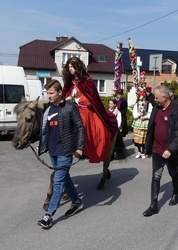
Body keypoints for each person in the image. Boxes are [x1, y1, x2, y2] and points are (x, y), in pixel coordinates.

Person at [37, 80, 85, 229]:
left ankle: (49, 215)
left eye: (51, 93)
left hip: (66, 150)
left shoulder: (70, 108)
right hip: (53, 151)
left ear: (59, 92)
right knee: (65, 177)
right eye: (47, 93)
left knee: (58, 181)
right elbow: (44, 131)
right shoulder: (48, 109)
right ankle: (76, 201)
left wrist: (79, 148)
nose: (48, 96)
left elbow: (80, 128)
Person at [61, 57, 119, 163]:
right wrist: (66, 99)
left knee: (81, 121)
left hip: (84, 108)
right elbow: (64, 94)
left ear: (78, 67)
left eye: (72, 66)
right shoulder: (69, 82)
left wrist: (77, 100)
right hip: (70, 107)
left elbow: (92, 99)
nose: (70, 69)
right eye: (69, 67)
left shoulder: (87, 81)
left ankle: (81, 148)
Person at [143, 85, 178, 217]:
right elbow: (151, 129)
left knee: (173, 172)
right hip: (157, 149)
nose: (154, 99)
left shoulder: (177, 111)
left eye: (156, 97)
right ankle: (153, 205)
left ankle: (176, 193)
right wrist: (148, 148)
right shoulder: (156, 109)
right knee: (156, 176)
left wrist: (170, 149)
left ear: (165, 97)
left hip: (171, 151)